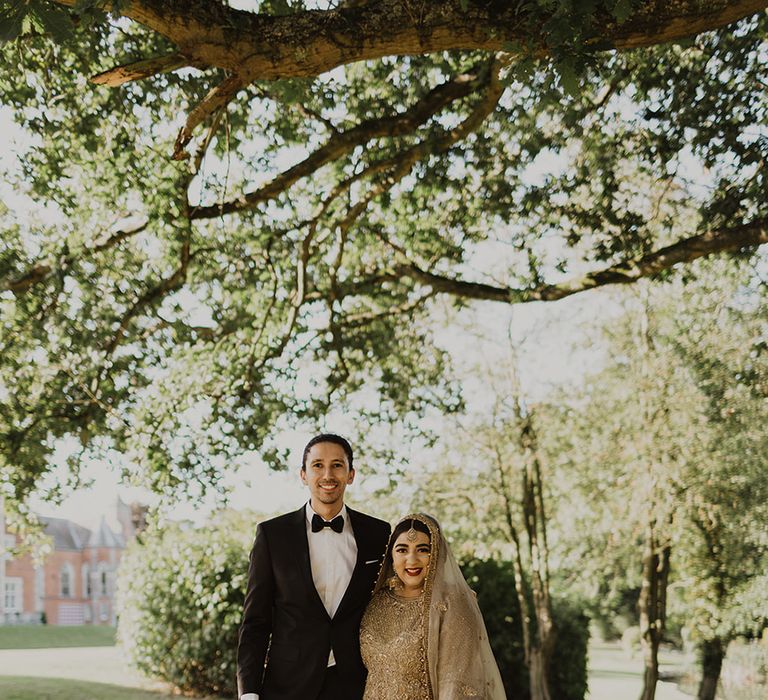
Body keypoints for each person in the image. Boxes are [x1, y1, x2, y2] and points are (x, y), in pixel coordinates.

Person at [237, 434, 391, 700]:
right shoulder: (272, 535)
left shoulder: (379, 533)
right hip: (287, 686)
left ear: (351, 474)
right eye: (318, 465)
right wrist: (248, 692)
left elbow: (391, 605)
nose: (327, 474)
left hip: (355, 685)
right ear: (303, 475)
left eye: (337, 465)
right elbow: (256, 622)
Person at [360, 513, 507, 699]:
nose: (411, 560)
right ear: (391, 555)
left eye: (422, 550)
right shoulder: (377, 600)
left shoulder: (452, 604)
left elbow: (457, 684)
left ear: (438, 554)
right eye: (402, 550)